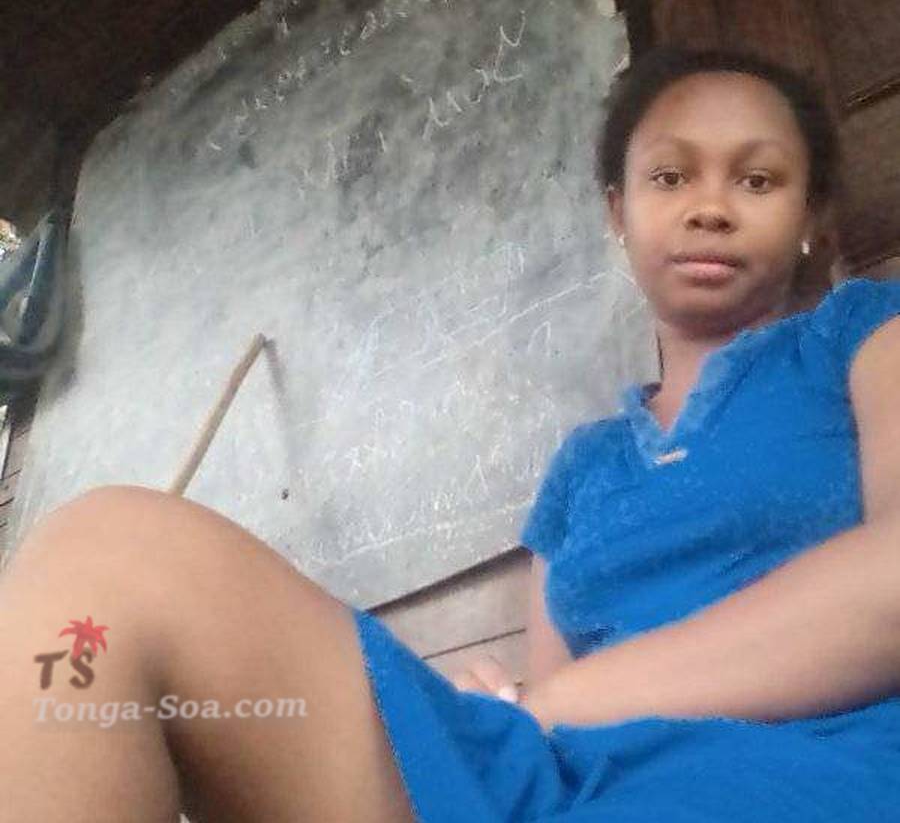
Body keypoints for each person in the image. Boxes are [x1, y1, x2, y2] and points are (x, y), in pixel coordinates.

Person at [1, 46, 899, 823]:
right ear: (617, 213)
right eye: (670, 177)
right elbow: (545, 705)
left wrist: (563, 700)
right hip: (559, 787)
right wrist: (520, 703)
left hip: (805, 770)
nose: (710, 207)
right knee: (102, 565)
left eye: (757, 179)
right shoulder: (583, 469)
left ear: (812, 217)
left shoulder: (859, 334)